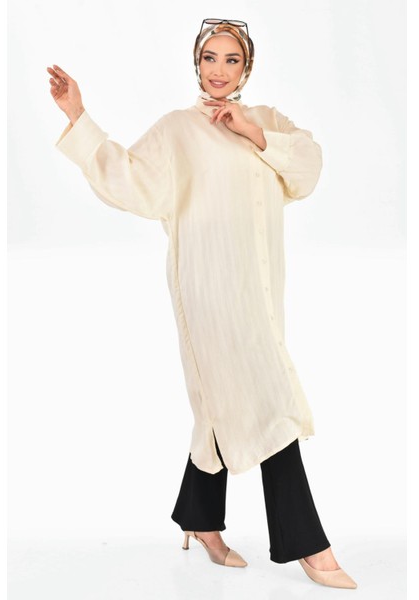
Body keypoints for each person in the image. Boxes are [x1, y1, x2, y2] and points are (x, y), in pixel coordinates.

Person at [47, 18, 357, 589]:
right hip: (208, 289)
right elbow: (129, 180)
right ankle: (309, 545)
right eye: (210, 58)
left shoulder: (268, 121)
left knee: (222, 404)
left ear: (247, 67)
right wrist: (78, 116)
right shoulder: (177, 130)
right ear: (196, 62)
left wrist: (251, 132)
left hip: (261, 292)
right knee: (270, 400)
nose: (219, 70)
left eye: (231, 60)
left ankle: (200, 518)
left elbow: (307, 170)